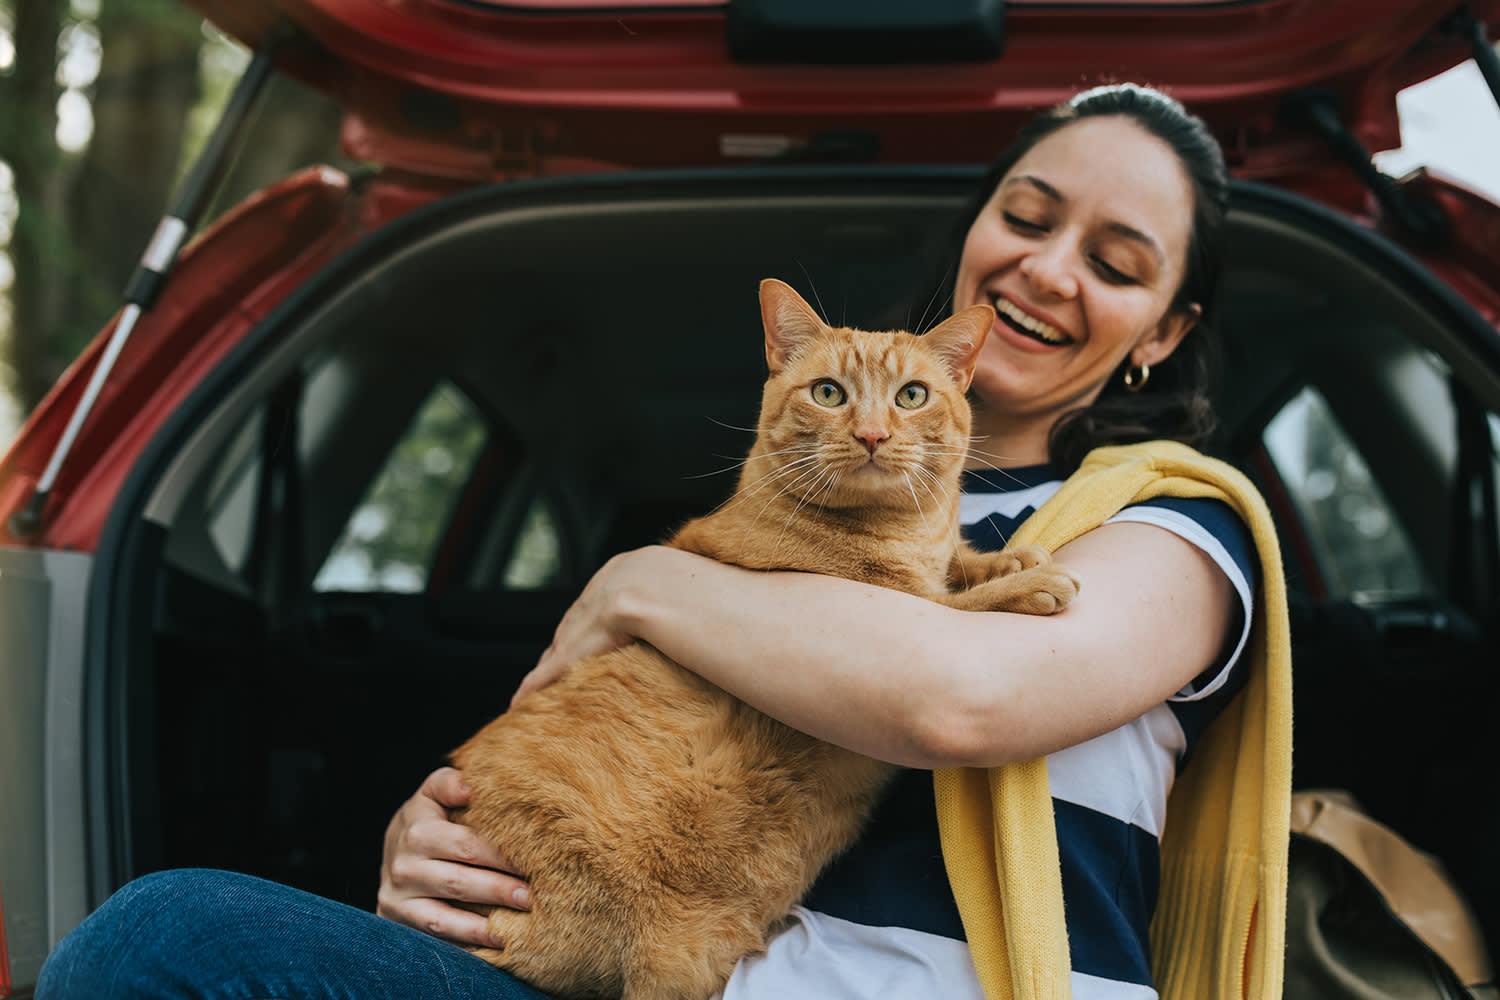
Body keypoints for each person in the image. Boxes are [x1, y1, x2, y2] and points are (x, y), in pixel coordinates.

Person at [36, 83, 1290, 1000]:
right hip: (670, 969)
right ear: (978, 232)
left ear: (1163, 335)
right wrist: (446, 845)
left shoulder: (1172, 520)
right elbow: (600, 729)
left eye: (1117, 262)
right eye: (1027, 215)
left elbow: (960, 694)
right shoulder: (759, 526)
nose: (1049, 269)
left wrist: (639, 580)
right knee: (155, 939)